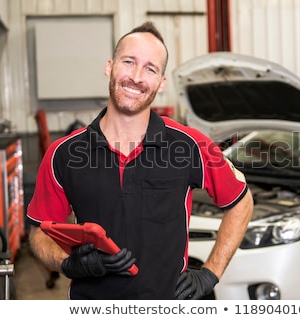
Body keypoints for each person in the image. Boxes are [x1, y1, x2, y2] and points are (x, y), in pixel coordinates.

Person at [26, 21, 253, 300]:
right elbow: (39, 233)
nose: (136, 76)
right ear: (109, 66)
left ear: (161, 84)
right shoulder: (63, 154)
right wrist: (66, 263)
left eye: (150, 68)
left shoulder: (190, 145)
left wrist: (211, 272)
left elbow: (242, 202)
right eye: (129, 62)